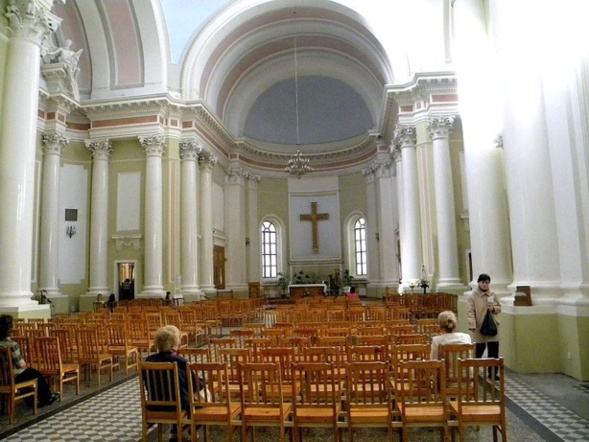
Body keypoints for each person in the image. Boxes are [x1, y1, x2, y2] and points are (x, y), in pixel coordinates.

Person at [0, 314, 59, 407]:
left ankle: (30, 401)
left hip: (2, 378)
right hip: (13, 377)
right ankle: (47, 398)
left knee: (29, 373)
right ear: (10, 328)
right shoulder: (11, 345)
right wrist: (25, 363)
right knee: (36, 374)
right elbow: (20, 364)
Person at [467, 273, 502, 377]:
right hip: (479, 326)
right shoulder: (473, 296)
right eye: (483, 282)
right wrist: (472, 324)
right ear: (479, 283)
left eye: (487, 282)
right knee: (478, 351)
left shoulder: (493, 294)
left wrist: (494, 308)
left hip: (492, 326)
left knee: (494, 351)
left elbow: (499, 307)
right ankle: (475, 372)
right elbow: (470, 311)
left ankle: (493, 373)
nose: (485, 285)